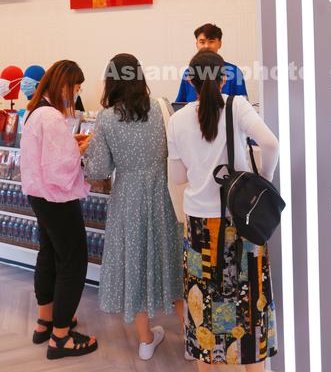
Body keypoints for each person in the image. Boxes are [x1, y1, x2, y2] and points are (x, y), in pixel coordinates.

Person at [168, 49, 279, 371]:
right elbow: (271, 144)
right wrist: (264, 178)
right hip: (240, 220)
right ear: (223, 78)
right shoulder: (237, 106)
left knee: (203, 303)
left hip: (200, 227)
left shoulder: (177, 120)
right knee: (250, 301)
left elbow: (178, 177)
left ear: (190, 80)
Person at [83, 53, 183, 361]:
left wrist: (85, 153)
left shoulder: (106, 118)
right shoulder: (160, 108)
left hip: (127, 198)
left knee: (135, 263)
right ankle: (193, 342)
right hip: (162, 195)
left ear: (110, 80)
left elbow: (99, 169)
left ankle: (144, 340)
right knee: (173, 263)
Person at [20, 60, 98, 360]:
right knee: (72, 262)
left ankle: (46, 321)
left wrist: (70, 144)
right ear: (63, 85)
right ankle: (61, 336)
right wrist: (80, 150)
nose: (76, 94)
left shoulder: (35, 111)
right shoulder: (51, 117)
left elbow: (45, 155)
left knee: (49, 254)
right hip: (57, 198)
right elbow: (59, 168)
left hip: (39, 195)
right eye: (75, 88)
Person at [175, 23, 248, 102]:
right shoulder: (188, 73)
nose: (206, 46)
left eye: (211, 41)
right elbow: (179, 104)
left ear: (220, 44)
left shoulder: (235, 72)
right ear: (196, 44)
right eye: (202, 42)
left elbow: (243, 104)